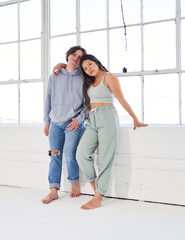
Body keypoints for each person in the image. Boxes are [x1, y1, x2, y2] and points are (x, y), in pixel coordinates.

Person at [76, 54, 148, 210]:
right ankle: (97, 189)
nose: (89, 69)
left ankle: (98, 198)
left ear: (96, 61)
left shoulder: (109, 77)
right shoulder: (89, 81)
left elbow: (121, 99)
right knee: (81, 154)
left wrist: (135, 119)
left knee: (104, 159)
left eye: (90, 64)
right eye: (85, 68)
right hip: (92, 119)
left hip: (107, 117)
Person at [42, 46, 87, 204]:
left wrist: (79, 120)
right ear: (68, 55)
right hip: (55, 122)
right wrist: (47, 122)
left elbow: (88, 104)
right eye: (74, 54)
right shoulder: (55, 75)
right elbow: (48, 99)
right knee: (55, 155)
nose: (76, 58)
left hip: (73, 123)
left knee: (69, 154)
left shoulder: (83, 78)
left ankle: (74, 182)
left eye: (80, 57)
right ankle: (53, 190)